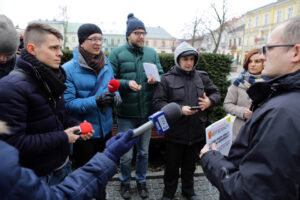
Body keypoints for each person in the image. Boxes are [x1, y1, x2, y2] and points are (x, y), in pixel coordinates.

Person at [200, 16, 300, 200]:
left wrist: (210, 159)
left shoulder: (282, 112)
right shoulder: (278, 96)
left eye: (268, 48)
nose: (261, 57)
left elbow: (251, 190)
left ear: (295, 53)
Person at [0, 22, 93, 186]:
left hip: (62, 167)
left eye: (60, 48)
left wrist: (77, 126)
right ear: (31, 49)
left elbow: (58, 119)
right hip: (35, 179)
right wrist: (64, 137)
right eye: (53, 48)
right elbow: (13, 143)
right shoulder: (10, 87)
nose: (60, 54)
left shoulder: (51, 78)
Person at [0, 120, 138, 200]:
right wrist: (110, 155)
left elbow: (61, 115)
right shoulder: (5, 167)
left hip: (63, 164)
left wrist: (75, 126)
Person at [153, 42, 220, 200]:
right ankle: (168, 193)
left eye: (191, 59)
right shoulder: (167, 79)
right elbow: (158, 103)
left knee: (190, 166)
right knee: (171, 166)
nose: (189, 63)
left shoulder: (202, 76)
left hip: (196, 130)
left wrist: (210, 101)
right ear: (178, 60)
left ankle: (188, 192)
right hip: (175, 132)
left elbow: (216, 92)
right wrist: (178, 109)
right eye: (185, 59)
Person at [63, 23, 121, 200]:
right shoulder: (68, 70)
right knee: (86, 177)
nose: (98, 43)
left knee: (102, 174)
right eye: (93, 39)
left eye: (100, 39)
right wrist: (96, 101)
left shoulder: (106, 63)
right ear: (82, 42)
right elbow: (69, 104)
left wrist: (116, 96)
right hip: (85, 134)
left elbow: (113, 87)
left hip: (106, 130)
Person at [109, 13, 164, 199]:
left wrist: (155, 79)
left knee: (143, 152)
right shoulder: (116, 54)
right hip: (126, 113)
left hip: (147, 112)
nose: (141, 36)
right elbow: (110, 80)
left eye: (143, 33)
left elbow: (162, 75)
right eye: (137, 33)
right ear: (128, 35)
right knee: (125, 154)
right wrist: (126, 84)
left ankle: (141, 182)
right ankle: (124, 182)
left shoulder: (152, 53)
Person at [223, 48, 268, 140]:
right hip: (240, 133)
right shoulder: (238, 83)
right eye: (250, 61)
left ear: (264, 63)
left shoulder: (270, 83)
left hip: (262, 132)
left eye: (257, 61)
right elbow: (227, 104)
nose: (252, 64)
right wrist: (242, 112)